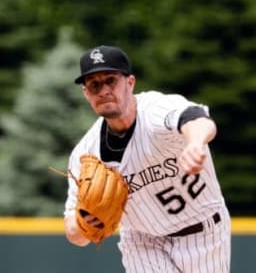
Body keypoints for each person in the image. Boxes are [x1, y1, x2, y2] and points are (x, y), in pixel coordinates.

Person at [63, 45, 231, 272]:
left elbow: (199, 120)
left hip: (204, 232)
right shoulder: (86, 154)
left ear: (130, 83)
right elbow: (74, 232)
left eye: (110, 80)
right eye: (94, 85)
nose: (103, 91)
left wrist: (195, 142)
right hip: (143, 241)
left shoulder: (155, 110)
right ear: (86, 94)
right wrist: (84, 225)